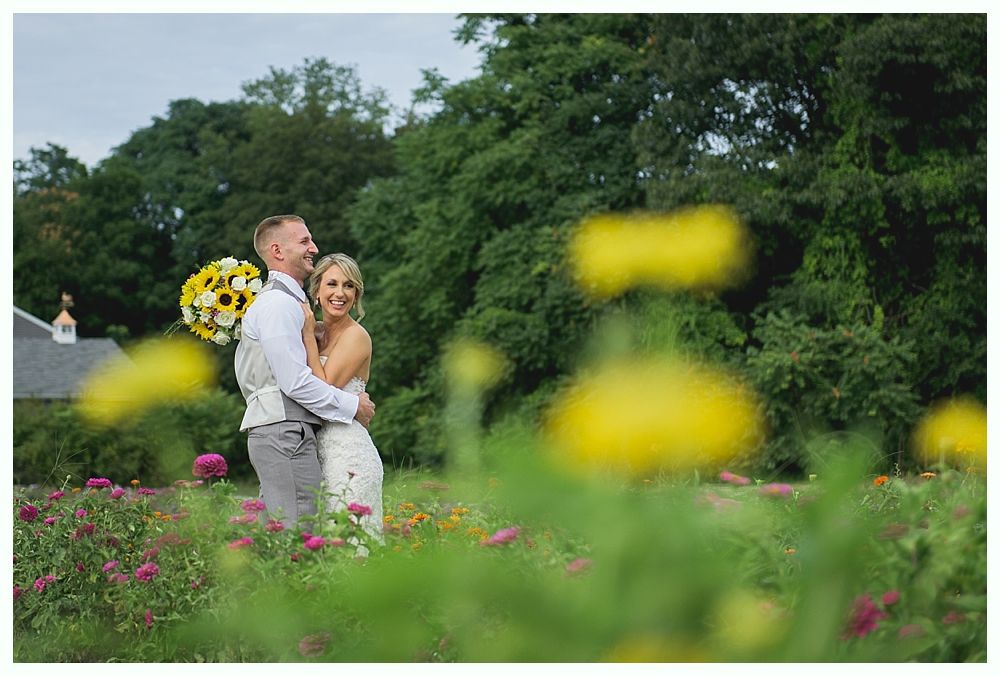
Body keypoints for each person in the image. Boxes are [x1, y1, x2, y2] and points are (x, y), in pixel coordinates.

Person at [235, 215, 375, 528]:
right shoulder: (278, 305)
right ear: (277, 251)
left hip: (307, 435)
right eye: (304, 241)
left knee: (297, 530)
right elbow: (295, 382)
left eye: (349, 286)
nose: (314, 247)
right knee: (298, 534)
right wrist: (355, 405)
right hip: (286, 430)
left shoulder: (294, 308)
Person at [301, 253, 384, 545]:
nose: (340, 293)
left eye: (349, 286)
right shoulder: (320, 333)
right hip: (318, 452)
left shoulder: (356, 336)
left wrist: (309, 338)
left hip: (349, 457)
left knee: (351, 545)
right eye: (332, 284)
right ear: (317, 291)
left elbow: (322, 389)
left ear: (356, 293)